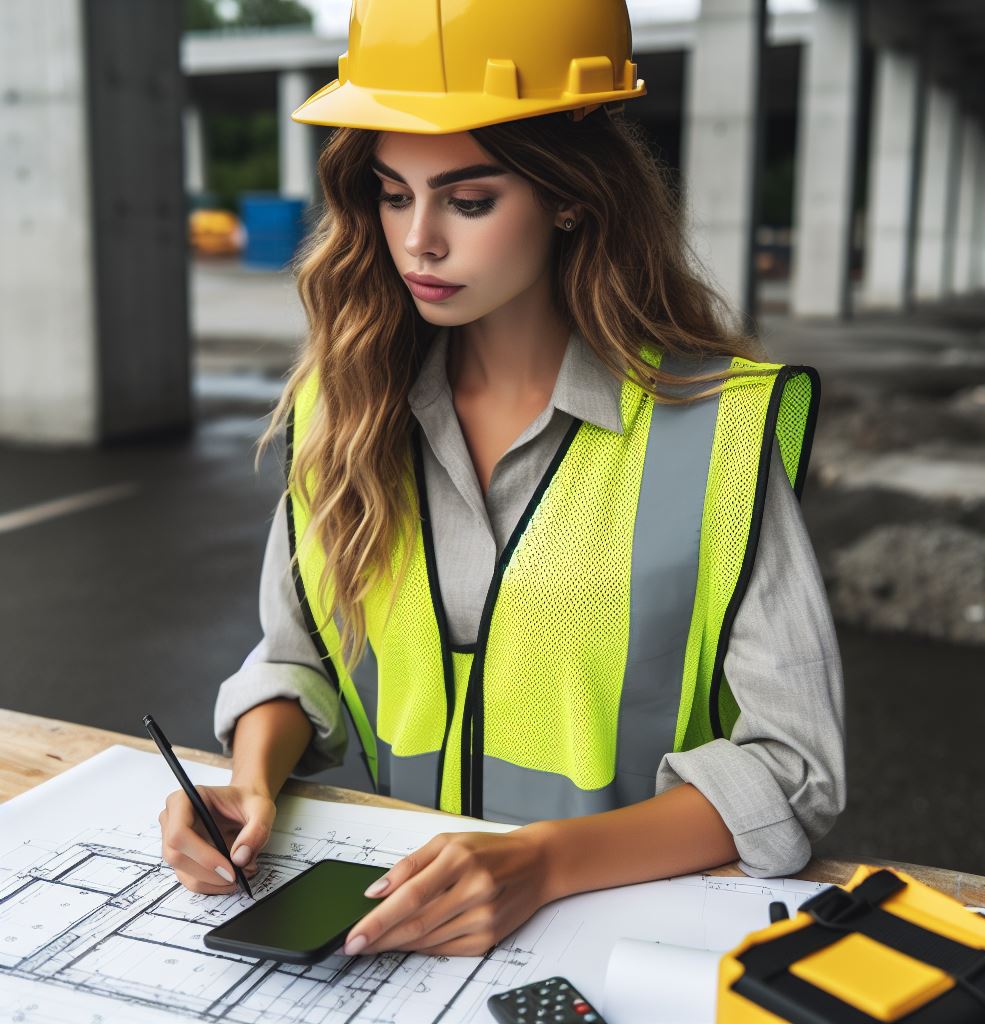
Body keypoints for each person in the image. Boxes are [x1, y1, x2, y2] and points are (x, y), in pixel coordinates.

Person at [158, 0, 845, 959]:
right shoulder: (345, 409)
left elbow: (793, 769)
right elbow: (296, 659)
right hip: (390, 934)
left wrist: (545, 862)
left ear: (571, 194)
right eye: (394, 194)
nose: (418, 242)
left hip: (626, 943)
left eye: (468, 200)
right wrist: (252, 779)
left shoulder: (718, 432)